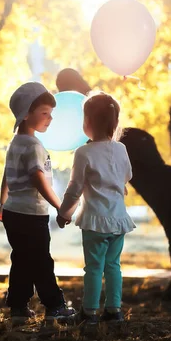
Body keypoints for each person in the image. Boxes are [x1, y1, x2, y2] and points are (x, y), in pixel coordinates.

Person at [0, 82, 76, 323]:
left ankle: (18, 307)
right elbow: (38, 178)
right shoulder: (33, 145)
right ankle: (55, 306)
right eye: (44, 113)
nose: (49, 119)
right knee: (41, 261)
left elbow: (6, 175)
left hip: (13, 213)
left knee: (21, 260)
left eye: (51, 114)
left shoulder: (15, 143)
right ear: (26, 114)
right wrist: (60, 206)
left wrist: (2, 203)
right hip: (31, 214)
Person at [57, 91, 135, 324]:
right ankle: (114, 310)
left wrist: (64, 213)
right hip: (118, 219)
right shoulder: (121, 149)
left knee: (93, 267)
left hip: (95, 220)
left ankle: (89, 312)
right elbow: (127, 175)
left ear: (87, 122)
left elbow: (75, 188)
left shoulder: (84, 152)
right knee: (113, 266)